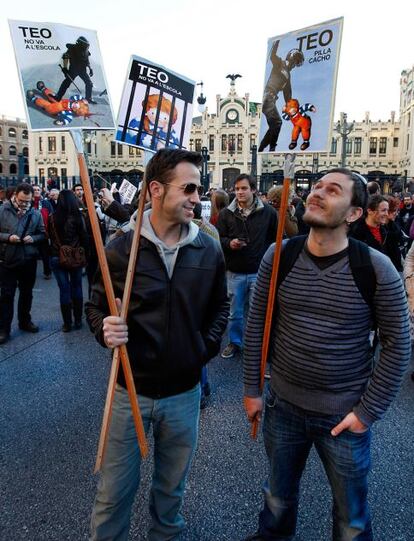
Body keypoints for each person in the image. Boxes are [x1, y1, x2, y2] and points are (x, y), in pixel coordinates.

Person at [243, 168, 410, 541]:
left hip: (343, 416)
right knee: (277, 500)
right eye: (317, 186)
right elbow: (257, 325)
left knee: (351, 519)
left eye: (332, 190)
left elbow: (399, 344)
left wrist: (366, 413)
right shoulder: (279, 255)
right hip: (282, 408)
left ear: (353, 213)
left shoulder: (376, 268)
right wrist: (253, 388)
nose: (317, 193)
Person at [85, 148, 229, 540]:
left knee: (171, 492)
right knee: (113, 495)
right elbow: (95, 307)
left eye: (198, 189)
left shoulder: (208, 249)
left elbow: (221, 307)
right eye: (189, 189)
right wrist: (104, 329)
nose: (197, 198)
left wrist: (203, 349)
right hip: (129, 391)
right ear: (156, 190)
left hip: (185, 393)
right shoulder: (119, 250)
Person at [217, 174, 277, 359]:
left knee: (259, 313)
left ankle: (258, 346)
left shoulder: (268, 212)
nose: (240, 192)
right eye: (237, 189)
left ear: (253, 190)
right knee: (235, 314)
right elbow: (218, 238)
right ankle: (235, 343)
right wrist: (230, 243)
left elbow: (275, 240)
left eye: (244, 188)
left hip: (260, 271)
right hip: (234, 272)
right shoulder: (226, 213)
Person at [0, 183, 46, 344]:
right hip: (8, 260)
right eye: (21, 201)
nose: (24, 204)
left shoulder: (35, 213)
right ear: (15, 195)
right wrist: (8, 238)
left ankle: (25, 321)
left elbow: (42, 234)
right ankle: (4, 329)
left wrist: (34, 238)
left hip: (28, 259)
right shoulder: (2, 210)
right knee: (6, 296)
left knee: (27, 293)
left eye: (28, 201)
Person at [48, 190, 89, 332]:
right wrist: (86, 254)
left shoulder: (52, 217)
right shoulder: (78, 217)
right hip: (75, 256)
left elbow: (50, 237)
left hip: (57, 256)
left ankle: (67, 324)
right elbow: (84, 237)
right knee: (77, 287)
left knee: (64, 290)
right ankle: (78, 321)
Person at [258, 40, 304, 152]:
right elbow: (272, 57)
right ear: (292, 58)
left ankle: (261, 148)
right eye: (295, 62)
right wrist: (276, 44)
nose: (294, 66)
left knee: (274, 125)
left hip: (271, 99)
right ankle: (271, 148)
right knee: (277, 123)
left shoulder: (288, 76)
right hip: (267, 97)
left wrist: (293, 112)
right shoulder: (280, 63)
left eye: (296, 64)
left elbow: (288, 97)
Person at [350, 194, 403, 271]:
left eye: (387, 210)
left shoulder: (385, 231)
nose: (387, 214)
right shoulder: (355, 232)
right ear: (370, 211)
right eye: (383, 210)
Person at [53, 36, 96, 104]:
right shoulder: (72, 49)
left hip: (82, 70)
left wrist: (90, 68)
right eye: (85, 45)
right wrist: (64, 68)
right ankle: (58, 97)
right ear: (81, 44)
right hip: (73, 70)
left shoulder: (86, 51)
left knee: (89, 83)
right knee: (66, 83)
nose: (86, 46)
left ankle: (88, 98)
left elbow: (87, 61)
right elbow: (65, 57)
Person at [32, 184, 53, 279]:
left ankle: (47, 272)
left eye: (38, 190)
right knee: (31, 255)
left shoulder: (46, 203)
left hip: (44, 233)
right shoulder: (28, 203)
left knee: (45, 255)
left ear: (41, 191)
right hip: (31, 234)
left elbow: (51, 217)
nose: (36, 191)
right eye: (34, 190)